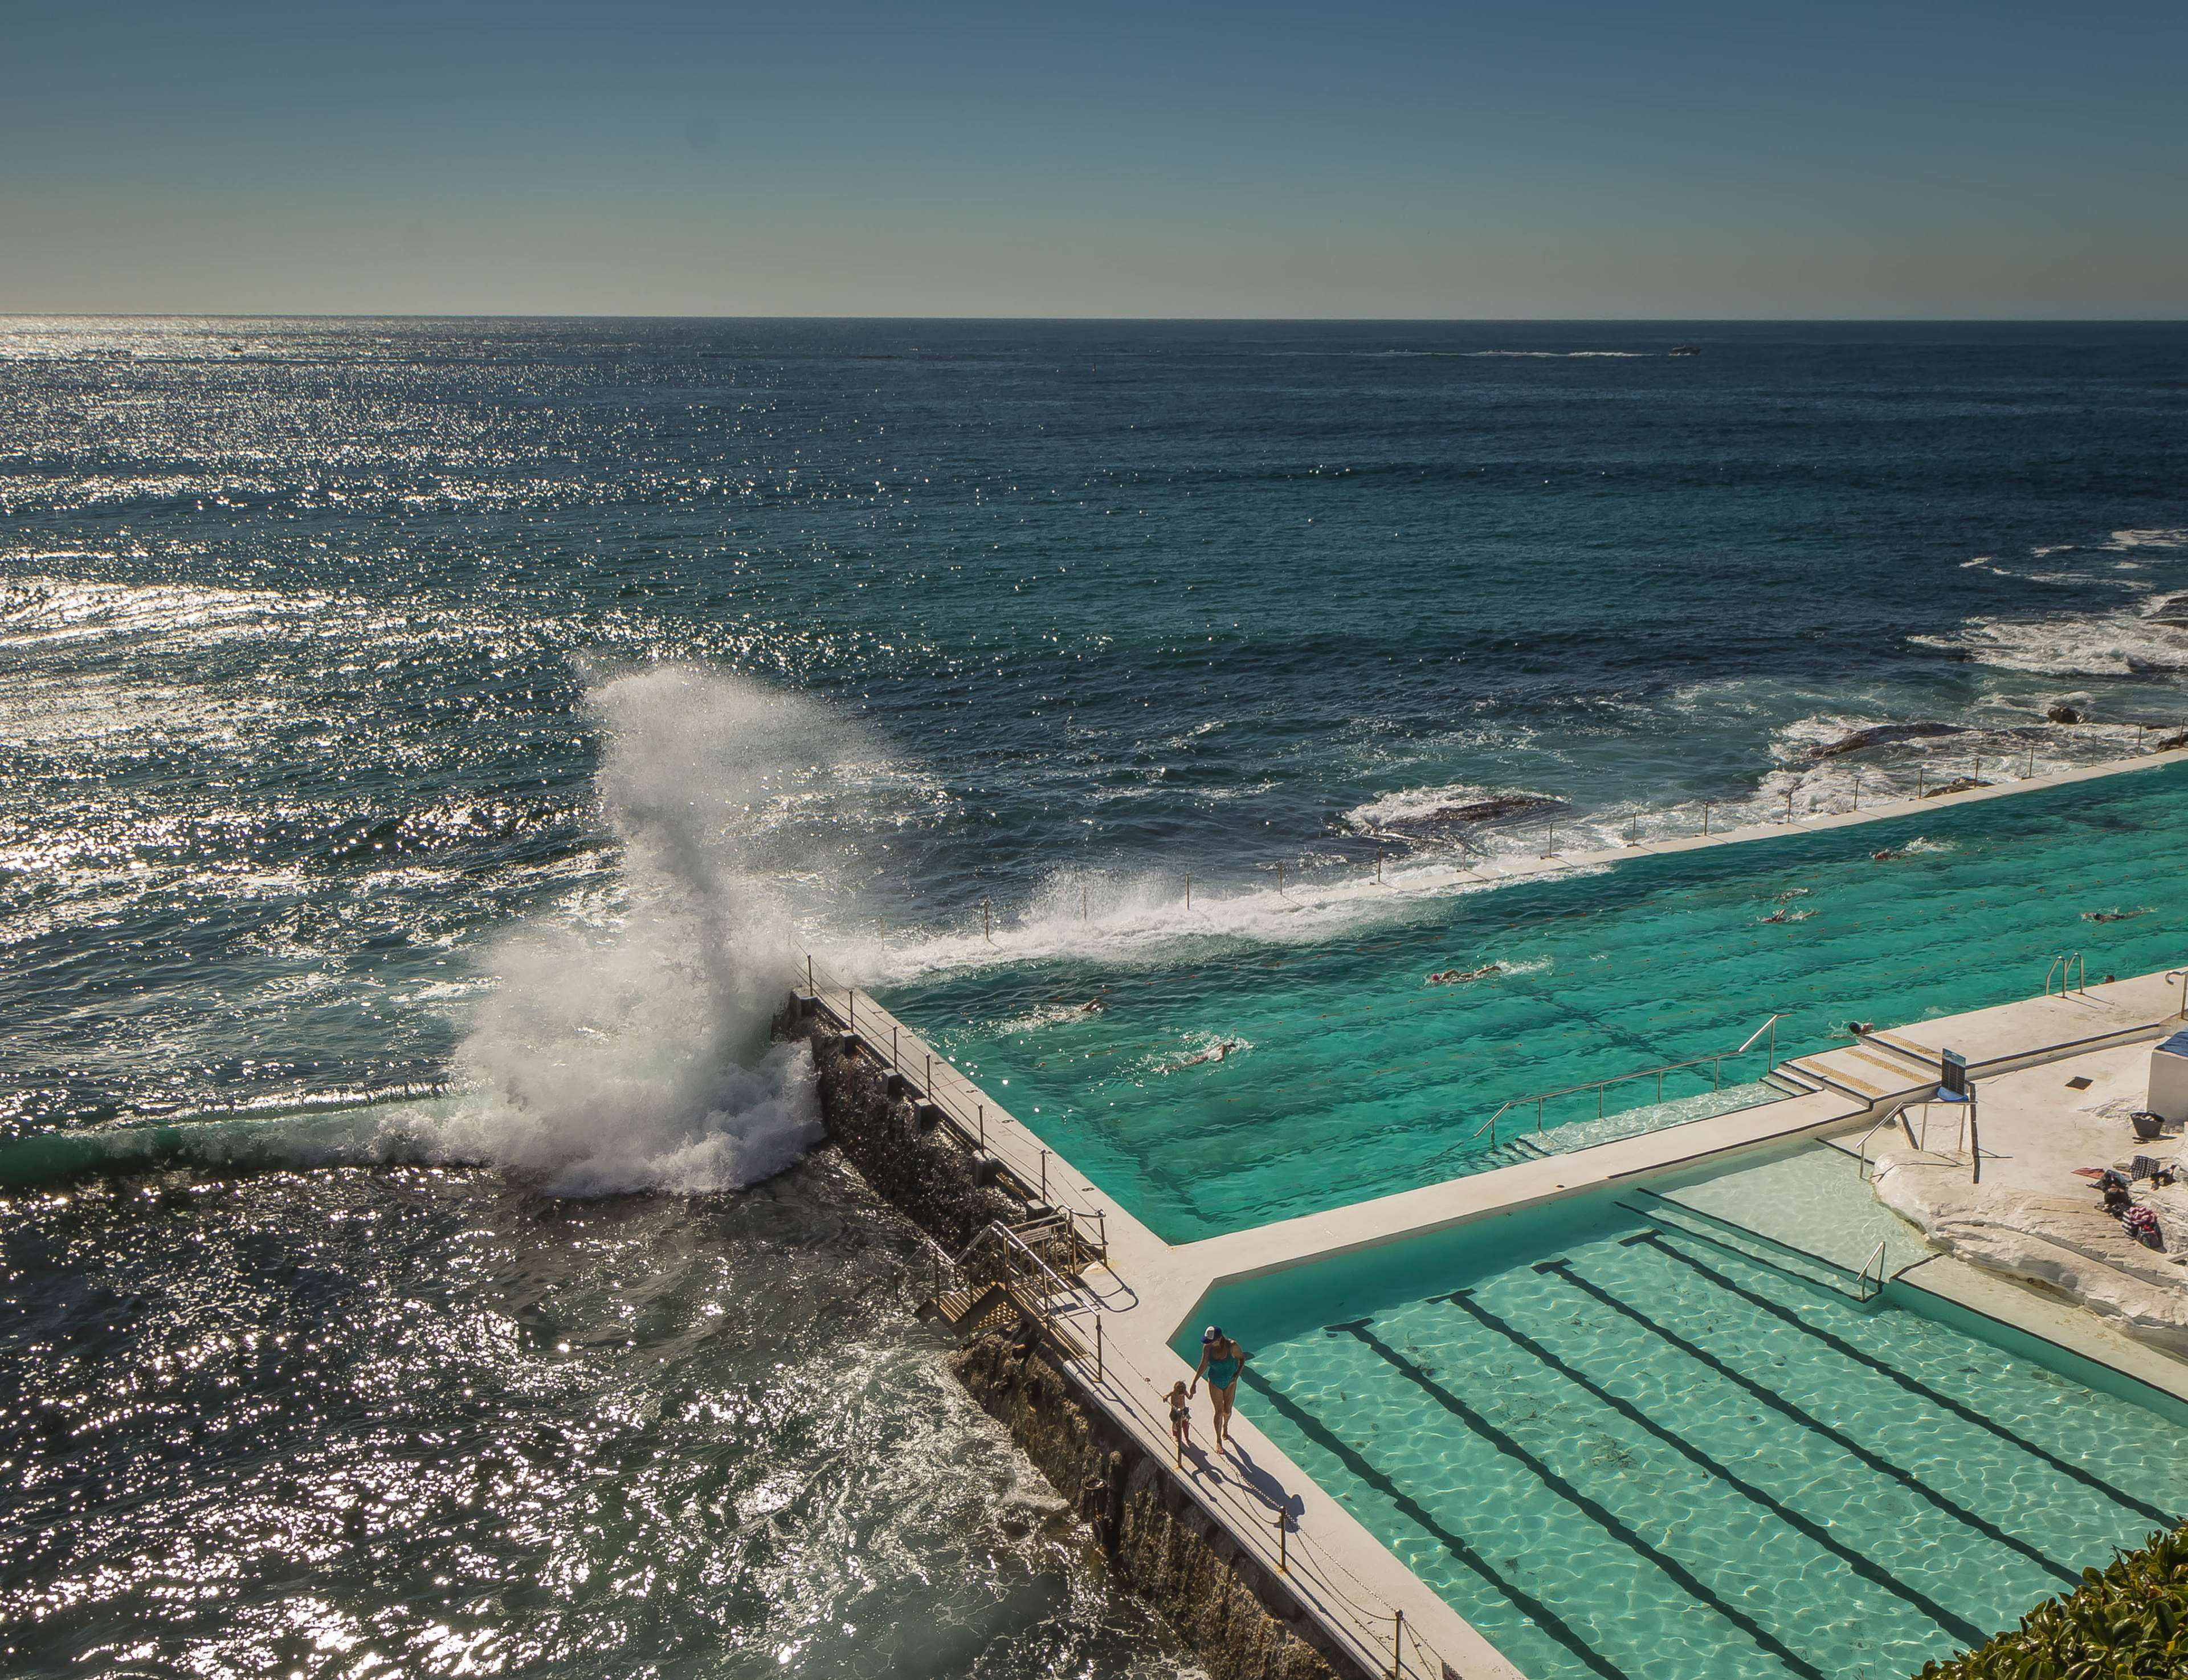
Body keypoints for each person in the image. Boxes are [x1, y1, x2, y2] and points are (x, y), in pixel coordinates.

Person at [1190, 1326, 1247, 1451]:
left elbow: (1242, 1359)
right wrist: (1194, 1382)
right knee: (1219, 1412)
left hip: (1230, 1382)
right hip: (1215, 1382)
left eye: (1211, 1341)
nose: (1209, 1344)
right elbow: (1203, 1365)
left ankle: (1225, 1427)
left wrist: (1236, 1376)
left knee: (1227, 1411)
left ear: (1219, 1339)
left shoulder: (1232, 1346)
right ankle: (1218, 1441)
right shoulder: (1207, 1348)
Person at [1165, 1380, 1193, 1455]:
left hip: (1183, 1411)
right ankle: (1175, 1435)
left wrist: (1192, 1393)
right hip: (1176, 1412)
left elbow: (1190, 1397)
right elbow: (1167, 1395)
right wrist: (1165, 1397)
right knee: (1176, 1426)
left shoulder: (1184, 1393)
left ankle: (1187, 1438)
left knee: (1186, 1425)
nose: (1181, 1395)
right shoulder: (1173, 1393)